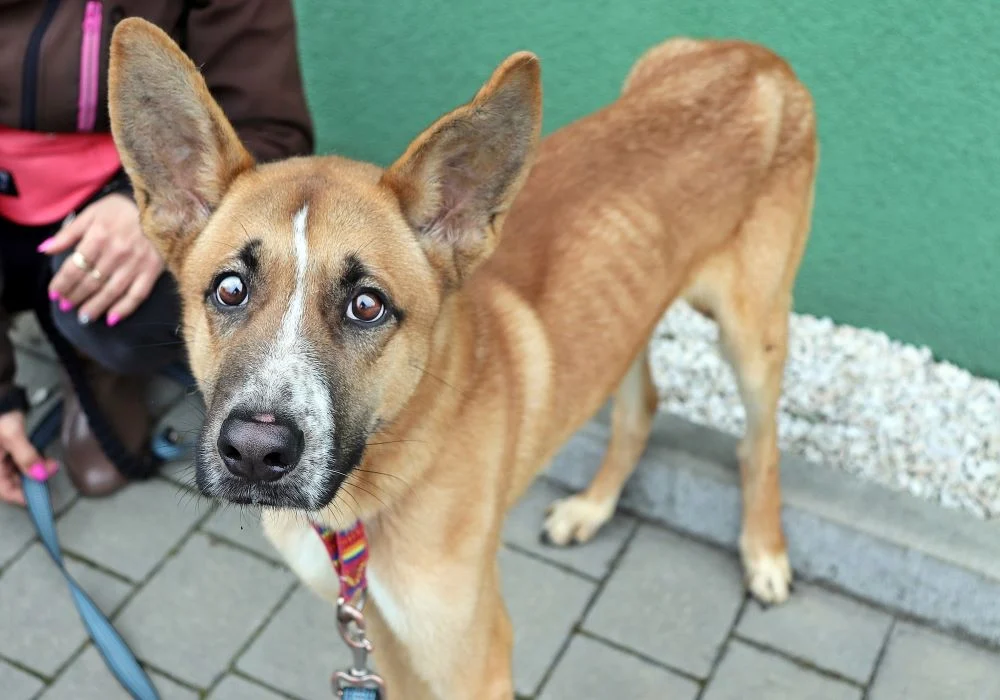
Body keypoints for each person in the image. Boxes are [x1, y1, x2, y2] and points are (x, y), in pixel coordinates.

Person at [0, 0, 314, 504]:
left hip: (138, 186)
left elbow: (270, 129)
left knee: (154, 297)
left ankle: (98, 357)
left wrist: (148, 203)